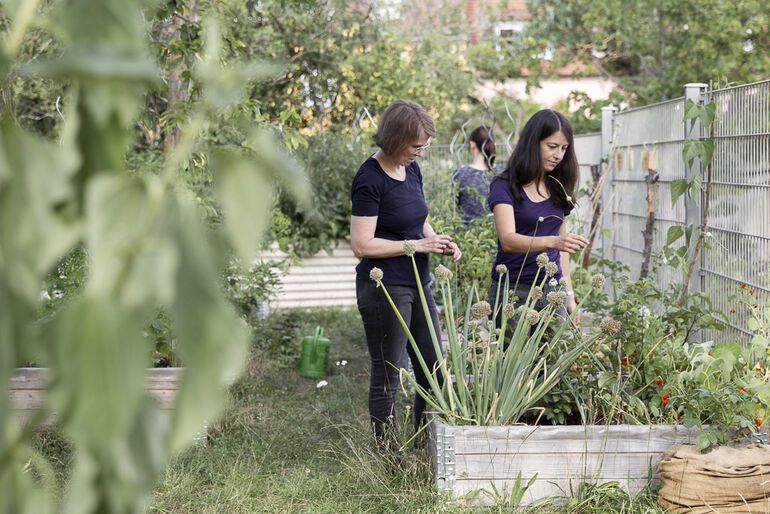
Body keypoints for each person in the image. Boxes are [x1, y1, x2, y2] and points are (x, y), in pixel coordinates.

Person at [350, 100, 461, 444]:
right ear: (396, 139)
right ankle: (386, 453)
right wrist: (415, 246)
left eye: (424, 146)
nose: (421, 153)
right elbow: (362, 244)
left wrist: (436, 240)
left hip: (417, 281)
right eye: (416, 146)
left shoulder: (410, 169)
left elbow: (417, 218)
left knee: (433, 370)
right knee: (388, 375)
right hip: (384, 288)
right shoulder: (369, 179)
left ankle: (424, 444)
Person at [487, 109, 589, 324]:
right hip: (513, 291)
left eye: (564, 148)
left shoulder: (557, 186)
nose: (558, 155)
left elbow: (563, 251)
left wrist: (569, 297)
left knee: (552, 357)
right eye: (552, 147)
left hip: (553, 290)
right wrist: (553, 242)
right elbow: (508, 240)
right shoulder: (504, 186)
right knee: (511, 358)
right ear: (533, 143)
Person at [452, 125, 498, 224]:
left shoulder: (460, 173)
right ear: (494, 144)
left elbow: (454, 206)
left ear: (472, 144)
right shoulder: (503, 172)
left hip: (467, 235)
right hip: (498, 232)